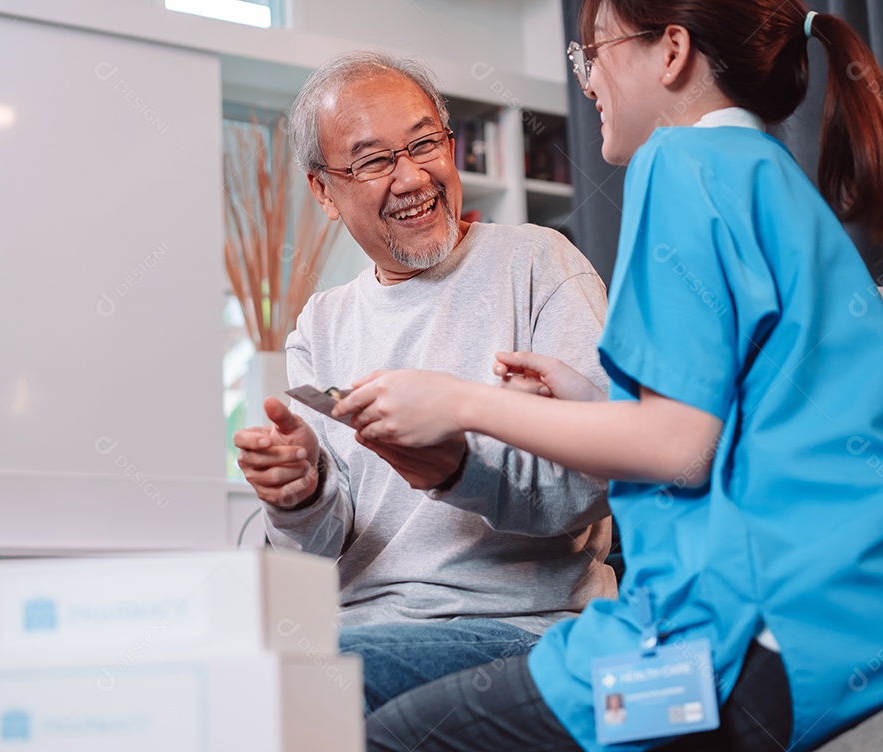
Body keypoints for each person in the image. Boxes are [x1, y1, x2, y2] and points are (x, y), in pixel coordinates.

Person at [335, 2, 883, 750]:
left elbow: (677, 446)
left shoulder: (680, 162)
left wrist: (459, 403)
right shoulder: (768, 174)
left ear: (672, 53)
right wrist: (594, 402)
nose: (588, 81)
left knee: (394, 735)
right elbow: (739, 422)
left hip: (741, 653)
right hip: (880, 621)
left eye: (593, 53)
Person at [232, 50, 617, 713]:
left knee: (293, 687)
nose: (412, 177)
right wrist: (298, 494)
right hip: (359, 628)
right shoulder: (321, 324)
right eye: (376, 161)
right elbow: (319, 547)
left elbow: (600, 477)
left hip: (519, 629)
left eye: (424, 144)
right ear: (323, 190)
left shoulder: (538, 263)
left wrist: (457, 468)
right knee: (215, 673)